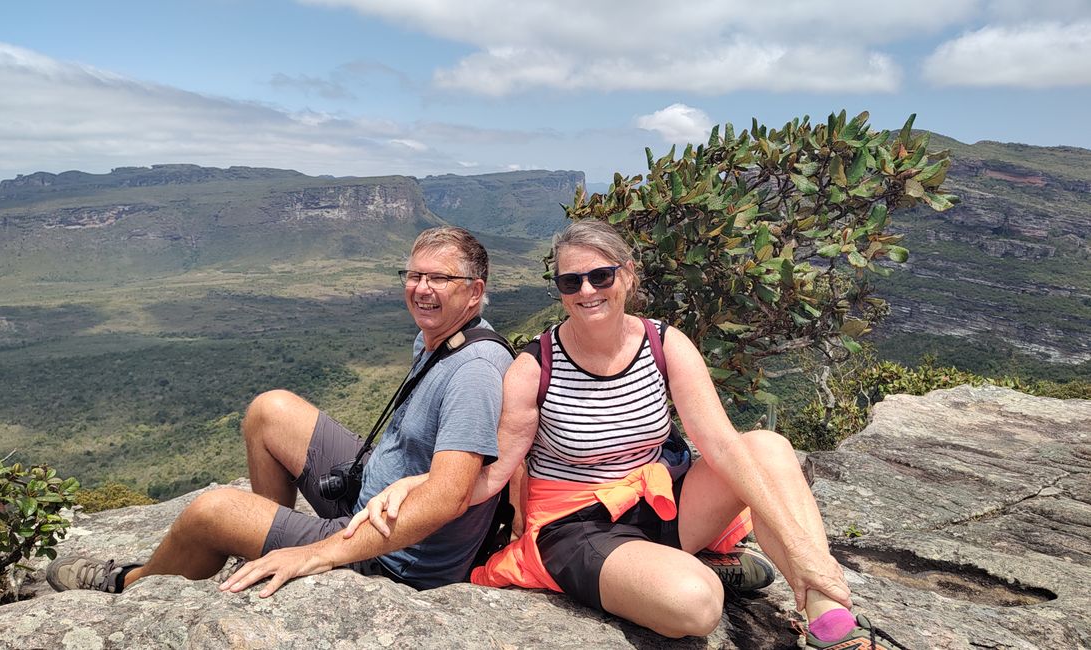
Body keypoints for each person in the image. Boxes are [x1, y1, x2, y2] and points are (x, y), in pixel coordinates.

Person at [347, 220, 905, 648]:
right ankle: (703, 569)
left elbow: (723, 447)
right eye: (571, 280)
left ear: (628, 275)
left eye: (601, 275)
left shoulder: (665, 344)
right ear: (560, 288)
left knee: (769, 448)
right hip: (577, 525)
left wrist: (807, 554)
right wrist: (424, 482)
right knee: (696, 606)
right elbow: (495, 470)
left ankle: (830, 619)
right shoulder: (534, 366)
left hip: (660, 501)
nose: (587, 289)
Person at [46, 226, 513, 596]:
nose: (422, 289)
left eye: (439, 278)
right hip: (371, 500)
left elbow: (448, 498)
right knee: (269, 411)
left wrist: (320, 554)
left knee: (212, 511)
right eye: (414, 275)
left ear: (474, 292)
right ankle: (263, 545)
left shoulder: (473, 371)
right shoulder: (440, 337)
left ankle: (127, 582)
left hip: (397, 553)